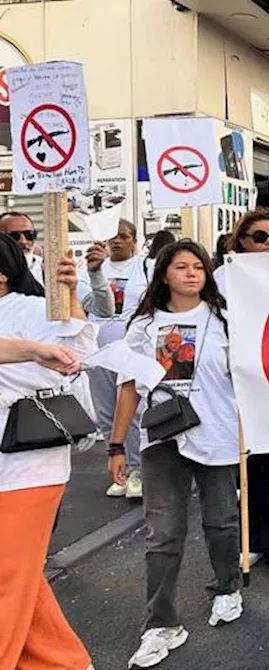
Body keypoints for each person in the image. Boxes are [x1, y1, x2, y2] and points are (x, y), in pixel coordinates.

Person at [108, 240, 244, 667]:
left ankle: (227, 588)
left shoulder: (225, 320)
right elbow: (128, 388)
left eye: (198, 267)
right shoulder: (143, 327)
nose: (191, 274)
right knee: (162, 535)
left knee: (221, 522)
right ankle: (160, 624)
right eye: (181, 266)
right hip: (162, 440)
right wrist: (116, 445)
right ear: (163, 273)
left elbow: (248, 377)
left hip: (217, 436)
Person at [0, 234, 95, 670]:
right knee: (22, 586)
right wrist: (31, 350)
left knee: (7, 582)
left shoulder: (26, 309)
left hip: (26, 469)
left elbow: (76, 351)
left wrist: (71, 295)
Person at [213, 212, 269, 572]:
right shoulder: (221, 277)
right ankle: (254, 541)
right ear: (241, 240)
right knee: (246, 463)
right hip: (237, 378)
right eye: (259, 237)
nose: (268, 243)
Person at [93, 220, 153, 500]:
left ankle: (138, 469)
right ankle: (120, 471)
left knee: (131, 412)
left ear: (134, 240)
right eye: (112, 237)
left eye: (123, 236)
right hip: (99, 352)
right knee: (106, 413)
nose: (117, 241)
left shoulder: (146, 268)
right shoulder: (93, 269)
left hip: (132, 351)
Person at [2, 211, 114, 318]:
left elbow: (104, 310)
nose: (23, 241)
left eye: (29, 235)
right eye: (13, 236)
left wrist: (95, 273)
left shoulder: (53, 270)